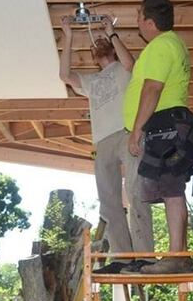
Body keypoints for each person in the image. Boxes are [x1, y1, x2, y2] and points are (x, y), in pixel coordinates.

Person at [59, 14, 154, 274]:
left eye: (102, 41)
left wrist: (111, 31)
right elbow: (65, 75)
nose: (97, 42)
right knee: (109, 201)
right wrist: (67, 35)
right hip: (102, 143)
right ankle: (123, 257)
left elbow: (131, 63)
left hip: (126, 134)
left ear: (111, 48)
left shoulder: (123, 69)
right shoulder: (91, 81)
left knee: (136, 191)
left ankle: (145, 256)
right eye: (95, 42)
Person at [124, 0, 193, 274]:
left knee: (172, 189)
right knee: (169, 189)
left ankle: (177, 256)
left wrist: (137, 129)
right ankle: (178, 255)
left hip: (165, 125)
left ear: (150, 23)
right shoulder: (169, 44)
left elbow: (152, 89)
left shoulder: (161, 46)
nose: (137, 21)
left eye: (139, 17)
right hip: (168, 124)